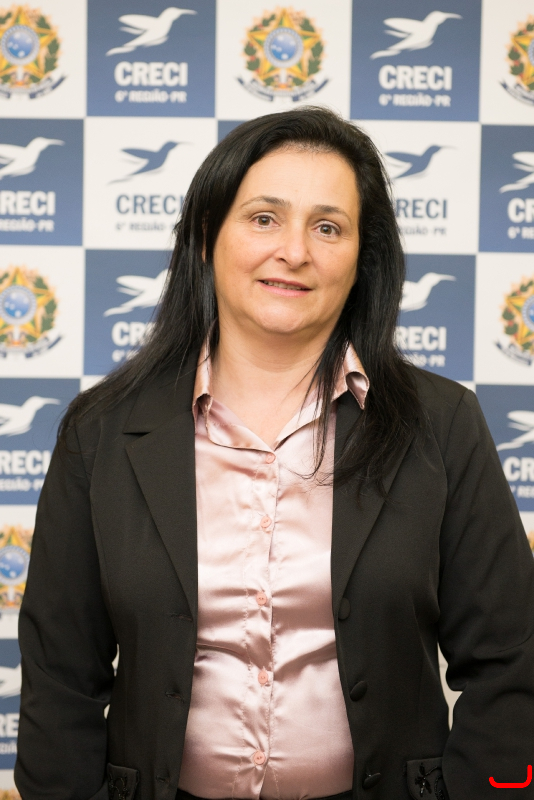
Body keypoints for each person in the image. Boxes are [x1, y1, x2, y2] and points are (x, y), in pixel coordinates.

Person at [14, 107, 534, 800]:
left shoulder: (441, 425)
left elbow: (510, 662)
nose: (294, 251)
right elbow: (59, 677)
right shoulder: (101, 430)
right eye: (264, 218)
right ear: (208, 235)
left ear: (362, 257)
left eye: (328, 227)